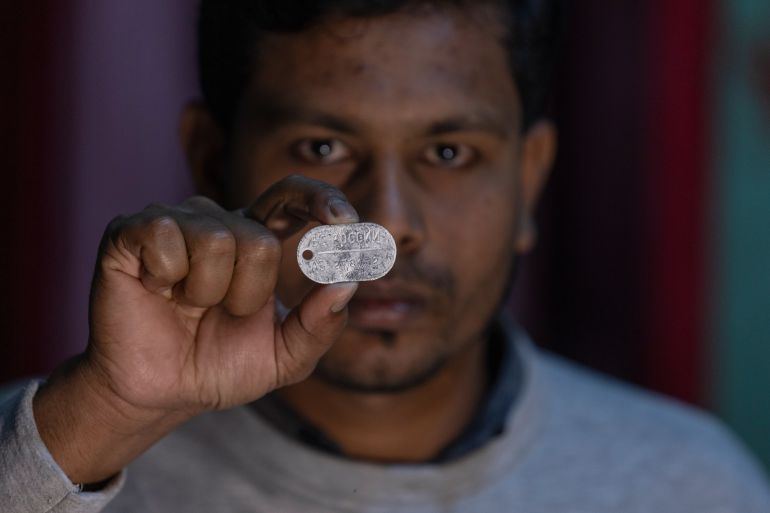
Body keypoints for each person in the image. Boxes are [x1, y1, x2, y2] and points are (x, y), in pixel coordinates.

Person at [2, 1, 770, 511]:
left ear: (529, 180)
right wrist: (102, 418)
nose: (389, 222)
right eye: (322, 147)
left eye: (449, 151)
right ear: (211, 160)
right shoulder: (61, 441)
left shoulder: (693, 487)